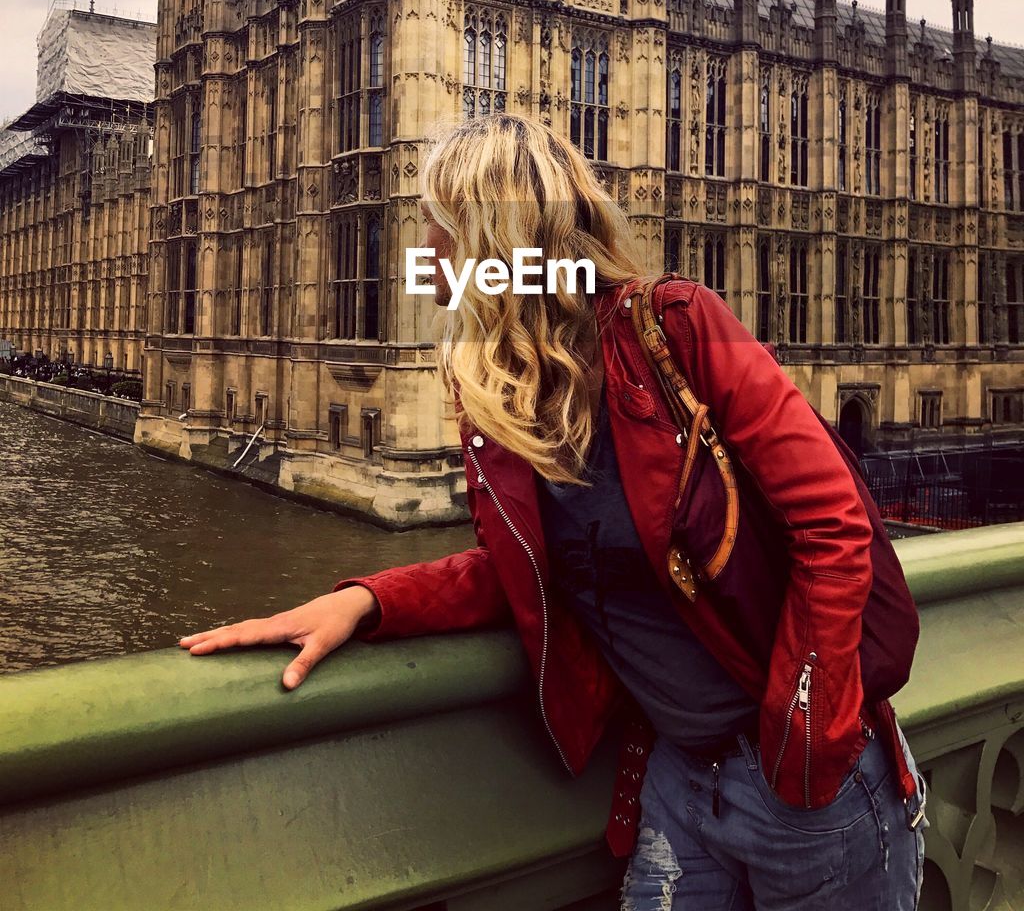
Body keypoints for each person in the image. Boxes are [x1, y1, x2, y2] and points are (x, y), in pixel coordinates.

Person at [180, 113, 929, 909]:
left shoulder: (683, 323)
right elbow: (540, 568)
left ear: (490, 244)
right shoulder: (502, 394)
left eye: (432, 226)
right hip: (680, 776)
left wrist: (800, 734)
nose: (418, 251)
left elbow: (837, 523)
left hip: (812, 789)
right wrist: (368, 600)